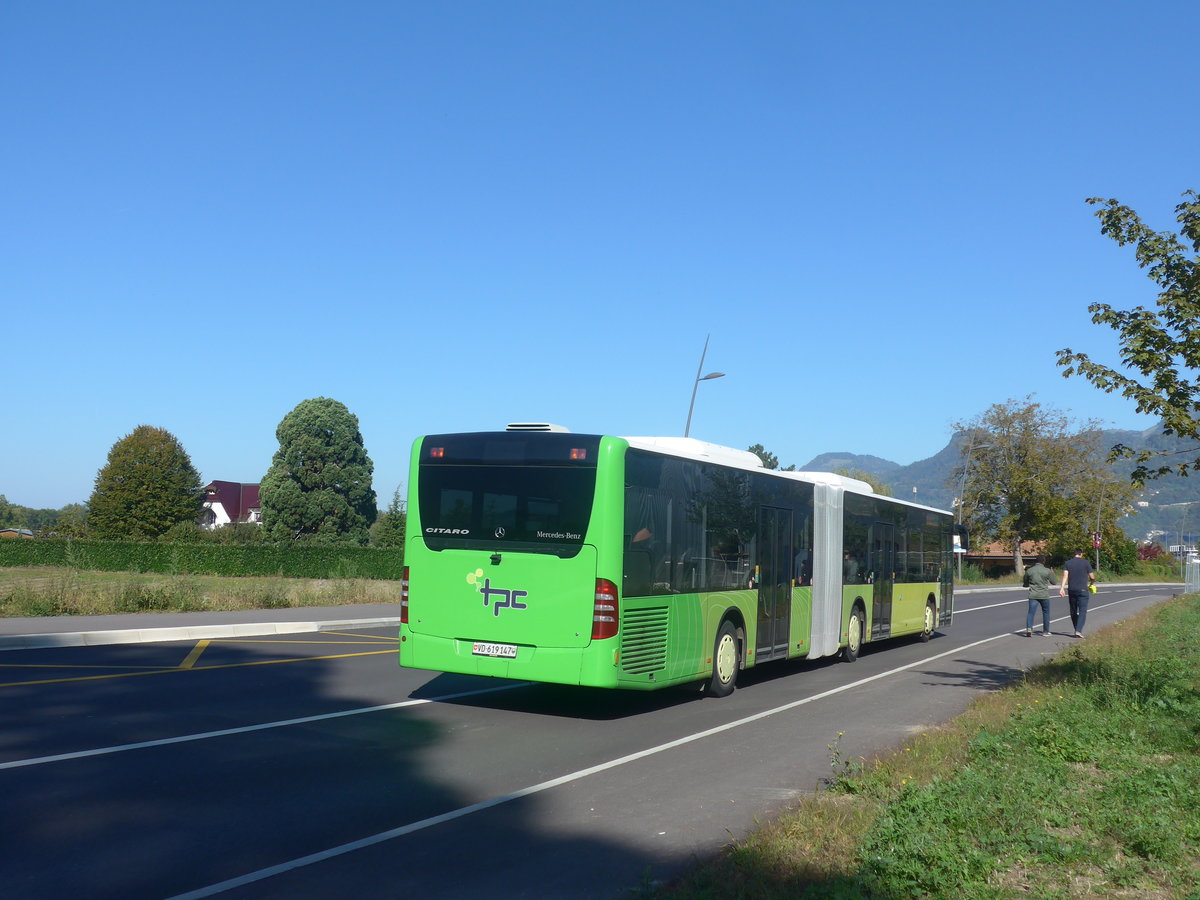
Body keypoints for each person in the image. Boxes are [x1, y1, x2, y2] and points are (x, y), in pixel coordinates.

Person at [1059, 549, 1095, 637]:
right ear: (1081, 554)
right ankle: (1078, 631)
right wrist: (1091, 583)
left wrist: (1062, 588)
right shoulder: (1086, 563)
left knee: (1073, 611)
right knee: (1082, 611)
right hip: (1083, 590)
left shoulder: (1068, 563)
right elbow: (1092, 576)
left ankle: (1076, 628)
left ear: (1073, 554)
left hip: (1072, 590)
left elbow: (1065, 576)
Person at [1023, 555, 1055, 636]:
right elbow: (1054, 582)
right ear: (1043, 561)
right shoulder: (1047, 571)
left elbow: (1025, 583)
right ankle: (1045, 631)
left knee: (1031, 612)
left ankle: (1029, 628)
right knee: (1046, 612)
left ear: (1035, 561)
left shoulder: (1029, 571)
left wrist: (1027, 584)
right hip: (1044, 594)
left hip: (1033, 594)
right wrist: (1053, 573)